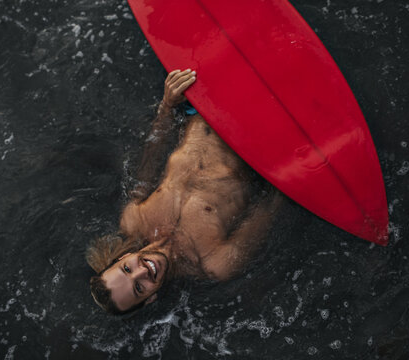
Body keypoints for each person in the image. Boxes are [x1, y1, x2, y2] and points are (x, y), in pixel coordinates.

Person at [87, 69, 282, 315]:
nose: (142, 271)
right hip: (258, 128)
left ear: (120, 259)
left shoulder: (134, 220)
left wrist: (167, 107)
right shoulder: (214, 262)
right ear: (150, 299)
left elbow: (150, 159)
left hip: (203, 105)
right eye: (139, 288)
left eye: (127, 268)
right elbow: (270, 204)